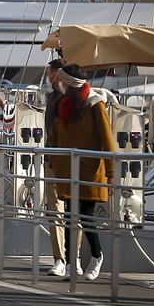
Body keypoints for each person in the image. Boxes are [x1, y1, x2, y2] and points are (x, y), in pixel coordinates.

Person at [48, 63, 117, 281]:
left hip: (89, 170)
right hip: (67, 169)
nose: (61, 86)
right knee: (69, 216)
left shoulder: (96, 105)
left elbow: (108, 141)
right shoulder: (63, 105)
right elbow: (55, 135)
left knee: (86, 217)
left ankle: (96, 256)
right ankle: (71, 264)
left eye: (64, 82)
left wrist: (111, 173)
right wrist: (50, 157)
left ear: (71, 84)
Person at [42, 58, 81, 277]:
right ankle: (59, 259)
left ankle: (74, 259)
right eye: (49, 74)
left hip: (73, 162)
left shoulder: (75, 99)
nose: (49, 78)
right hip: (52, 160)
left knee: (75, 211)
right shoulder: (50, 98)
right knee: (54, 210)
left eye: (52, 74)